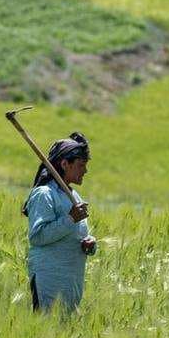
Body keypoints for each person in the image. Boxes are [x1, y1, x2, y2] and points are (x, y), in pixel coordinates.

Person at [22, 132, 97, 313]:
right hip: (49, 280)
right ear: (65, 164)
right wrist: (70, 219)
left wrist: (89, 243)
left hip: (71, 282)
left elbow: (74, 234)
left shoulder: (74, 196)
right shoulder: (44, 194)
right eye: (81, 165)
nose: (85, 171)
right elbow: (38, 237)